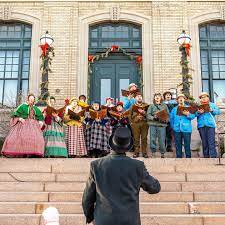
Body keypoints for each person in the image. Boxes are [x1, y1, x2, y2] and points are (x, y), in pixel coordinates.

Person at [82, 127, 161, 225]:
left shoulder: (96, 165)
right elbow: (154, 188)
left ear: (112, 144)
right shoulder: (137, 166)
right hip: (129, 220)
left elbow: (87, 197)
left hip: (103, 220)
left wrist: (90, 216)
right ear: (127, 146)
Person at [196, 92, 221, 158]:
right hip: (201, 125)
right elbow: (195, 114)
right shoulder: (199, 106)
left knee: (211, 142)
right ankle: (206, 157)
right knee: (204, 143)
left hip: (210, 125)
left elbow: (219, 111)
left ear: (208, 98)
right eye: (202, 97)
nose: (203, 98)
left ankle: (213, 157)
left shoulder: (212, 105)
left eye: (205, 97)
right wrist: (198, 112)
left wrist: (211, 110)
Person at [170, 94, 195, 158]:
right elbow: (171, 119)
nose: (181, 99)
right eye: (179, 98)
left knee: (187, 145)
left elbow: (193, 116)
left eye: (182, 98)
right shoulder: (174, 109)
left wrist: (188, 114)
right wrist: (173, 127)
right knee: (178, 145)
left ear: (184, 99)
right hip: (177, 129)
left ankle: (188, 158)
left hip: (186, 129)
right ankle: (179, 157)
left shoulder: (188, 108)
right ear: (177, 100)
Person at [147, 93, 169, 158]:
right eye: (156, 96)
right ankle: (153, 152)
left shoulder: (164, 106)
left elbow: (168, 115)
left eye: (158, 96)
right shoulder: (151, 106)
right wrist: (153, 117)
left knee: (161, 139)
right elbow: (148, 115)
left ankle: (162, 153)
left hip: (161, 125)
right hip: (153, 124)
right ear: (154, 98)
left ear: (161, 98)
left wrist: (165, 119)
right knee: (152, 139)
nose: (157, 97)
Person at [129, 92, 149, 158]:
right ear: (135, 98)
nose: (139, 97)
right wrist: (131, 123)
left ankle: (144, 152)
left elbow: (149, 114)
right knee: (136, 138)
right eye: (138, 96)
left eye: (140, 96)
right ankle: (136, 152)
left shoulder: (146, 105)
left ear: (142, 98)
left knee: (144, 138)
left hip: (144, 123)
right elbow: (129, 115)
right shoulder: (133, 106)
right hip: (135, 123)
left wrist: (144, 112)